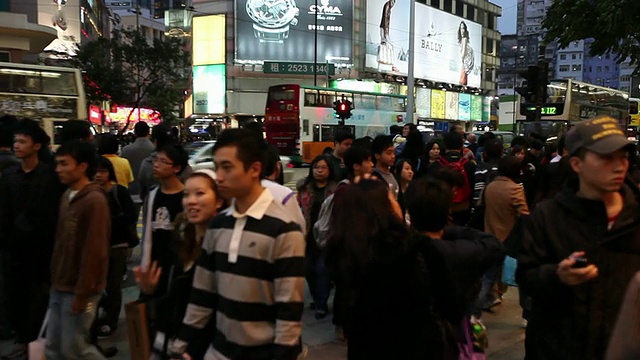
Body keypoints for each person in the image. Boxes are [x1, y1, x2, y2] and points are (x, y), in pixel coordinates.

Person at [172, 128, 306, 359]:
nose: (219, 176)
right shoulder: (219, 225)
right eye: (217, 167)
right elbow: (203, 293)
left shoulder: (283, 229)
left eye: (227, 167)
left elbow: (289, 310)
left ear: (254, 169)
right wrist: (180, 346)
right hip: (219, 351)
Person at [517, 116, 640, 359]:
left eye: (623, 157)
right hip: (559, 347)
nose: (619, 166)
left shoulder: (635, 217)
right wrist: (556, 275)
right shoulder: (547, 216)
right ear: (576, 164)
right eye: (606, 158)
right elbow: (526, 277)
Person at [405, 177, 505, 357]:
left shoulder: (401, 251)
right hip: (452, 338)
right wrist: (449, 230)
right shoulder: (460, 252)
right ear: (446, 212)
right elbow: (494, 245)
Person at [135, 170, 224, 359]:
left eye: (200, 193)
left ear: (219, 201)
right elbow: (172, 304)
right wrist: (150, 291)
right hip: (173, 341)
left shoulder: (224, 248)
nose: (190, 201)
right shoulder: (181, 241)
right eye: (186, 194)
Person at [0, 120, 63, 359]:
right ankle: (24, 342)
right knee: (14, 301)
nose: (17, 145)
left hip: (41, 253)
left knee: (39, 303)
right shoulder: (9, 176)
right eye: (15, 141)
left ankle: (36, 346)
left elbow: (53, 216)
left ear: (36, 146)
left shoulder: (50, 176)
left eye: (22, 141)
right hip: (14, 253)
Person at [45, 140, 110, 359]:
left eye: (64, 164)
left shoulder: (94, 201)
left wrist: (83, 293)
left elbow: (94, 250)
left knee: (75, 349)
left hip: (80, 288)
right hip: (60, 284)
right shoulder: (67, 196)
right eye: (58, 164)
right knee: (54, 347)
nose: (58, 169)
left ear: (82, 166)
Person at [93, 157, 138, 339]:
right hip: (96, 245)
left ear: (109, 173)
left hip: (117, 244)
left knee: (113, 284)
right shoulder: (90, 193)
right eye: (95, 172)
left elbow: (131, 215)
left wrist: (109, 221)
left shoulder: (119, 191)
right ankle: (100, 315)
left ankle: (110, 321)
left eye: (102, 171)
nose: (98, 175)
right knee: (96, 284)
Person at [139, 145, 188, 300]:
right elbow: (147, 234)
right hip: (154, 266)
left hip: (177, 267)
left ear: (177, 168)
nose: (156, 164)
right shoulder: (153, 194)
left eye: (163, 161)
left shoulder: (187, 197)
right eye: (156, 160)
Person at [296, 155, 338, 319]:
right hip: (308, 237)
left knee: (322, 271)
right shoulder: (304, 188)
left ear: (329, 170)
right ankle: (316, 298)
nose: (319, 171)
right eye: (316, 167)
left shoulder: (335, 190)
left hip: (327, 237)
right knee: (308, 270)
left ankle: (321, 304)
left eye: (323, 168)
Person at [120, 121, 155, 198]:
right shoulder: (154, 150)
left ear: (135, 133)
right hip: (150, 193)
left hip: (131, 190)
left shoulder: (126, 150)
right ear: (148, 132)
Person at [372, 134, 399, 199]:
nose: (393, 156)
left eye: (394, 153)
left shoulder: (394, 175)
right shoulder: (373, 177)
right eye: (389, 153)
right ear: (377, 155)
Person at [392, 158, 414, 223]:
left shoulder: (412, 189)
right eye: (407, 169)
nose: (410, 172)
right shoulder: (394, 188)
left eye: (411, 169)